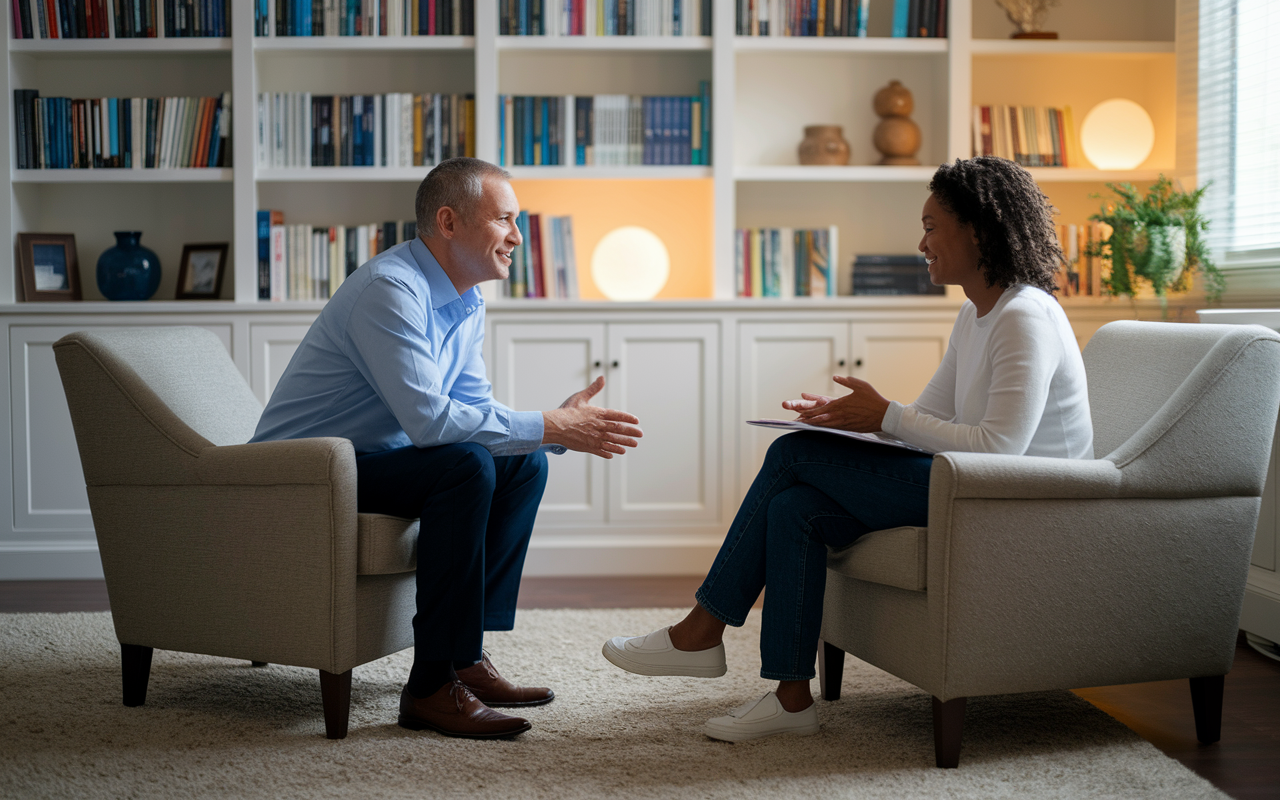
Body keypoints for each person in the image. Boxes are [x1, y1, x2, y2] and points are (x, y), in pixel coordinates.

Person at [601, 156, 1094, 742]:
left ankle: (703, 629)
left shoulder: (1025, 316)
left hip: (1015, 505)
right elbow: (927, 417)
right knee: (795, 508)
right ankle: (790, 698)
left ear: (979, 230)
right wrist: (851, 424)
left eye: (933, 226)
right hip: (970, 487)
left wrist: (884, 415)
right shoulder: (977, 314)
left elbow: (1002, 447)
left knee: (792, 456)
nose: (922, 242)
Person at [251, 157, 643, 740]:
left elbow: (471, 407)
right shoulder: (391, 290)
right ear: (449, 222)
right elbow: (435, 424)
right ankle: (430, 688)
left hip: (367, 460)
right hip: (302, 471)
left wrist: (546, 433)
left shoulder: (465, 300)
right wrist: (552, 423)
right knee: (466, 464)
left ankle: (464, 657)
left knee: (521, 462)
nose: (516, 236)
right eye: (505, 220)